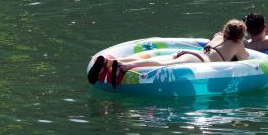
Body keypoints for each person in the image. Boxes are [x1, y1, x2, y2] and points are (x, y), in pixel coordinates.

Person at [87, 19, 249, 88]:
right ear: (240, 35)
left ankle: (111, 60)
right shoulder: (237, 44)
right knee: (161, 64)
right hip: (199, 60)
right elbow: (246, 61)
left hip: (190, 53)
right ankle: (124, 66)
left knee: (159, 58)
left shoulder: (217, 36)